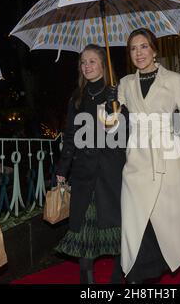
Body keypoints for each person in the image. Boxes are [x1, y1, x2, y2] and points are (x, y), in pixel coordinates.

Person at [117, 28, 180, 284]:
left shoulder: (174, 80)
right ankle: (142, 273)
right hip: (137, 163)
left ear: (154, 50)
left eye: (144, 46)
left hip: (169, 160)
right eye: (133, 48)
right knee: (138, 223)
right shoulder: (124, 84)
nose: (139, 53)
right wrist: (110, 119)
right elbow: (117, 125)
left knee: (177, 220)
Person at [55, 44, 127, 284]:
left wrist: (115, 106)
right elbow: (70, 135)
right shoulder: (76, 98)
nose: (87, 66)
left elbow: (122, 135)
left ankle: (117, 279)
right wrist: (62, 169)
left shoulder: (117, 94)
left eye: (92, 61)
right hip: (84, 173)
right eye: (83, 62)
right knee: (83, 231)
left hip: (111, 173)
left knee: (116, 230)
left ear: (103, 65)